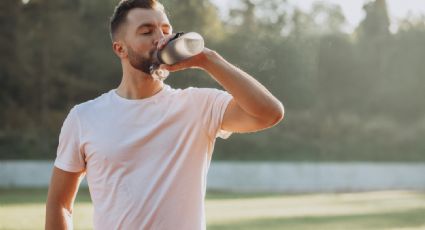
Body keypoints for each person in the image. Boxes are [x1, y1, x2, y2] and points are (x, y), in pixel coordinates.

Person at [45, 0, 284, 229]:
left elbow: (269, 113)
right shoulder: (83, 117)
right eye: (147, 31)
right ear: (120, 48)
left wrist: (208, 59)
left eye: (166, 29)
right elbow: (59, 205)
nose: (161, 38)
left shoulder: (199, 105)